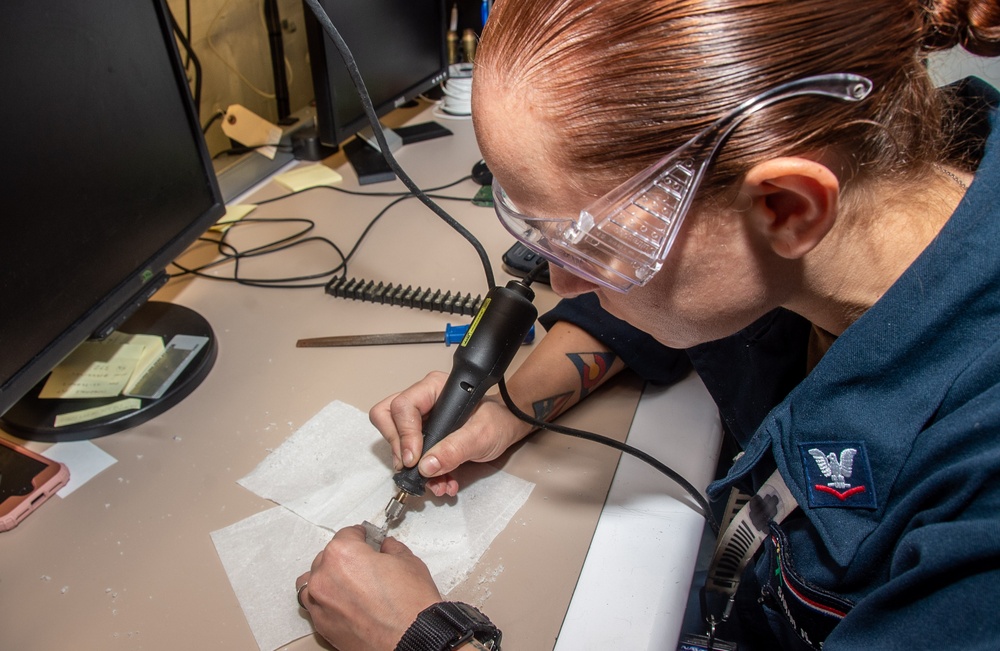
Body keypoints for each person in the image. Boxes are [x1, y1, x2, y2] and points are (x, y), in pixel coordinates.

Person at [295, 0, 1000, 649]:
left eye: (594, 248)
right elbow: (656, 312)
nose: (564, 285)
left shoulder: (978, 490)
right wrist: (508, 404)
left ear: (786, 207)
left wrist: (425, 639)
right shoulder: (873, 189)